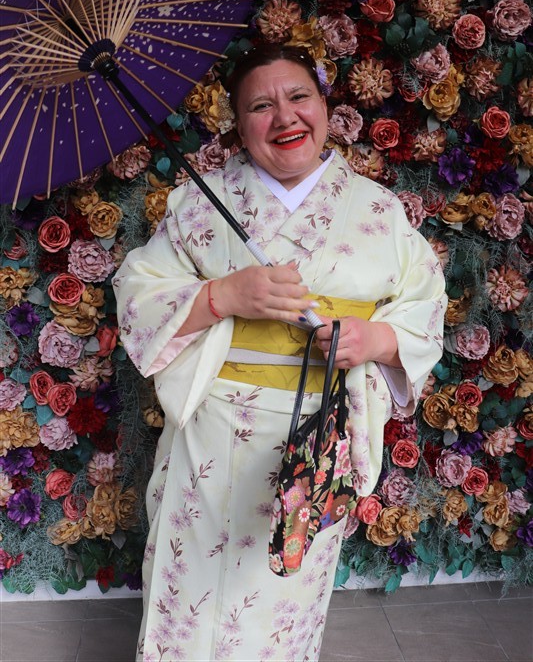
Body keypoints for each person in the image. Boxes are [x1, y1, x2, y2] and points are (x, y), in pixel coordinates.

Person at [113, 44, 447, 661]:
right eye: (260, 106)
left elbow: (424, 302)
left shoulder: (377, 210)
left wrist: (372, 339)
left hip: (319, 435)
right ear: (239, 126)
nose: (285, 117)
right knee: (189, 597)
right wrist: (223, 296)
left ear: (324, 104)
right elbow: (139, 293)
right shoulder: (200, 203)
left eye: (299, 97)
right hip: (213, 429)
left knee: (282, 605)